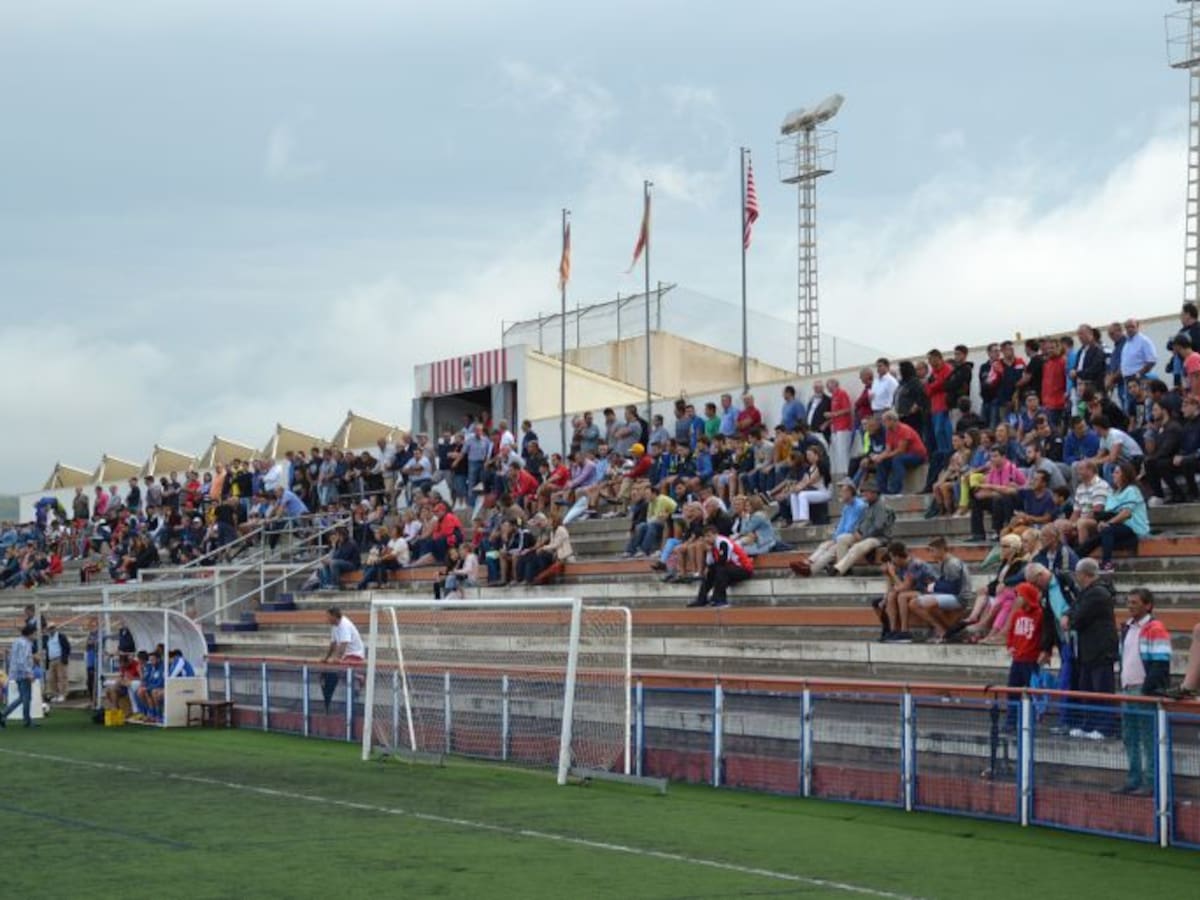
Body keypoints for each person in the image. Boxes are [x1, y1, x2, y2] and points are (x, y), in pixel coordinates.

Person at [1115, 588, 1171, 795]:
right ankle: (1134, 779)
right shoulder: (1128, 628)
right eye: (1129, 602)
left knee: (1148, 738)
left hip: (1142, 690)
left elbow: (1160, 662)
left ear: (1148, 605)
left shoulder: (1155, 628)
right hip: (1128, 689)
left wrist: (1148, 689)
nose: (1130, 606)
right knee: (1130, 737)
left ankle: (1150, 782)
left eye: (1135, 602)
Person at [1067, 558, 1119, 736]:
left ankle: (1104, 727)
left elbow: (1078, 618)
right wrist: (1069, 615)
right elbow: (1072, 610)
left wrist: (1070, 618)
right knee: (1087, 688)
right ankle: (1088, 724)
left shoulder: (1097, 593)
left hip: (1100, 649)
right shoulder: (1087, 592)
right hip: (1088, 649)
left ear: (1083, 574)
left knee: (1102, 689)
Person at [1076, 461, 1149, 571]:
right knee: (1092, 541)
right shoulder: (1113, 493)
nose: (1113, 475)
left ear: (1125, 474)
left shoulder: (1132, 490)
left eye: (1117, 472)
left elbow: (1126, 513)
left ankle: (1107, 564)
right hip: (1118, 527)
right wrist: (1102, 521)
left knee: (1106, 530)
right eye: (1114, 472)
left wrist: (1108, 523)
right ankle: (1077, 561)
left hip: (1134, 527)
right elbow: (1110, 514)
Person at [791, 481, 867, 576]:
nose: (840, 494)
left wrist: (835, 540)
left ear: (850, 492)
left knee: (832, 550)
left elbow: (851, 527)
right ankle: (807, 563)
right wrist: (834, 539)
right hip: (844, 536)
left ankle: (810, 570)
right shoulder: (846, 507)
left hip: (856, 535)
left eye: (843, 491)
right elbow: (841, 525)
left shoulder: (860, 506)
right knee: (824, 545)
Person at [687, 527, 753, 608]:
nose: (707, 539)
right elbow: (710, 563)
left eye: (709, 536)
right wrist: (709, 551)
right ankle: (701, 599)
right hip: (730, 568)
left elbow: (724, 560)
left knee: (721, 570)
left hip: (744, 569)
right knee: (710, 572)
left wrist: (713, 567)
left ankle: (720, 600)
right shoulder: (713, 545)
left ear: (716, 535)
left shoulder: (722, 542)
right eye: (705, 537)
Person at [320, 607, 366, 714]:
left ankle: (360, 677)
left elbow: (344, 644)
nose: (326, 619)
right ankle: (354, 685)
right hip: (347, 654)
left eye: (328, 616)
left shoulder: (344, 625)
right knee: (329, 673)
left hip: (356, 653)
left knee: (341, 671)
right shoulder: (334, 627)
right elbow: (333, 644)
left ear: (334, 616)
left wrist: (337, 658)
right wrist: (326, 658)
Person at [1, 625, 39, 728]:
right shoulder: (25, 644)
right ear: (30, 633)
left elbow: (15, 658)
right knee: (25, 698)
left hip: (16, 673)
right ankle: (5, 715)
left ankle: (26, 719)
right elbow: (22, 660)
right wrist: (28, 673)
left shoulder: (17, 641)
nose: (35, 636)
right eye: (34, 633)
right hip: (23, 674)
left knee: (24, 697)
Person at [44, 623, 71, 702]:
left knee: (62, 677)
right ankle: (55, 694)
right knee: (51, 678)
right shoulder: (48, 638)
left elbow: (67, 647)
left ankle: (63, 694)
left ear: (55, 628)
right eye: (50, 628)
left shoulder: (61, 636)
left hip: (59, 658)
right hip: (51, 659)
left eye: (52, 628)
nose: (51, 630)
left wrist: (64, 657)